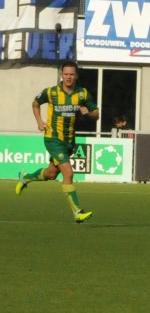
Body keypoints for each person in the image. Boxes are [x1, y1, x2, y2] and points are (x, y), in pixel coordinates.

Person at [15, 61, 99, 223]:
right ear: (62, 74)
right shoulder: (51, 92)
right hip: (53, 139)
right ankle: (77, 211)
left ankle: (25, 177)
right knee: (68, 173)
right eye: (66, 74)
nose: (68, 77)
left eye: (72, 74)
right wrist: (39, 121)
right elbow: (35, 103)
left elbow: (96, 114)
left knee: (51, 174)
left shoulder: (82, 94)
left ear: (76, 76)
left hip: (69, 142)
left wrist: (88, 114)